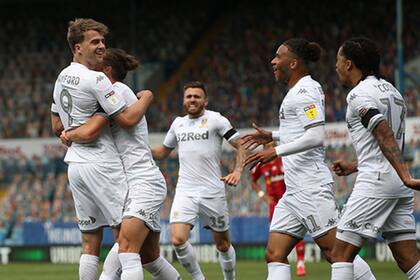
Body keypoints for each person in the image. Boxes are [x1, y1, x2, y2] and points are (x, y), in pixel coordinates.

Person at [241, 38, 375, 280]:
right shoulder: (297, 92)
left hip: (310, 187)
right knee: (274, 253)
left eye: (278, 56)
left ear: (293, 63)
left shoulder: (305, 91)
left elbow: (315, 136)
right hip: (293, 192)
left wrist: (276, 151)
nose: (273, 61)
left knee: (337, 253)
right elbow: (301, 132)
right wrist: (273, 136)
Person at [60, 48, 181, 280]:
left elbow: (95, 129)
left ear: (107, 70)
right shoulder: (112, 95)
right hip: (130, 184)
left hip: (144, 182)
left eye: (97, 64)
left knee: (126, 250)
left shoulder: (117, 91)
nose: (91, 67)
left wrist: (69, 134)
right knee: (150, 258)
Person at [51, 18, 155, 280]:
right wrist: (146, 97)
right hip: (102, 164)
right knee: (127, 242)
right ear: (77, 47)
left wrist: (70, 131)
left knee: (90, 245)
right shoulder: (97, 79)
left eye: (102, 41)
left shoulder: (62, 76)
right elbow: (128, 120)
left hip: (75, 165)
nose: (101, 46)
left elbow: (55, 125)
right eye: (94, 42)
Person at [330, 37, 420, 280]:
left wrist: (406, 176)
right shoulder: (394, 92)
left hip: (378, 182)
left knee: (339, 255)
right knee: (408, 259)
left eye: (338, 61)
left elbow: (383, 132)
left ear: (349, 64)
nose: (336, 66)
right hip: (396, 186)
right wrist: (356, 165)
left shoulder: (358, 94)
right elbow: (385, 143)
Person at [151, 81, 246, 280]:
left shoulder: (216, 120)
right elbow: (162, 152)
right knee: (177, 239)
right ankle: (198, 278)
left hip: (212, 191)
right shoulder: (178, 123)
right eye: (189, 96)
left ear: (205, 100)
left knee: (223, 244)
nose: (192, 99)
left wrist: (237, 171)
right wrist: (136, 148)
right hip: (185, 190)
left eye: (197, 96)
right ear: (184, 100)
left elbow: (241, 144)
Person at [250, 151, 306, 276]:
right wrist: (262, 196)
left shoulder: (284, 157)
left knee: (298, 231)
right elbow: (253, 181)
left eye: (272, 145)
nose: (270, 147)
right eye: (267, 146)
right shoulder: (261, 164)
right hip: (275, 205)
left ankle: (301, 262)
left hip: (292, 200)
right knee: (277, 235)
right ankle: (281, 262)